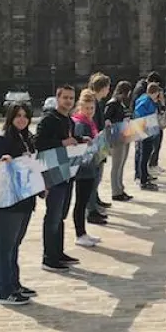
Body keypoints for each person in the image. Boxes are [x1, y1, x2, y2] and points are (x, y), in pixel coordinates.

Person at [0, 102, 38, 305]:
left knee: (15, 244)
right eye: (18, 115)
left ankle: (14, 283)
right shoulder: (2, 140)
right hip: (8, 201)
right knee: (6, 246)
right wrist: (4, 162)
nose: (22, 119)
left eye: (25, 116)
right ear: (10, 117)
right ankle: (5, 290)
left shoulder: (28, 139)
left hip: (26, 198)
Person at [37, 85, 81, 269]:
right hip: (53, 173)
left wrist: (81, 140)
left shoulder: (69, 120)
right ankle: (49, 257)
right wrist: (62, 143)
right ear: (58, 98)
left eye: (71, 98)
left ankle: (58, 252)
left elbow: (71, 140)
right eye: (65, 98)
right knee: (53, 216)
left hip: (67, 172)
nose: (68, 101)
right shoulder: (48, 119)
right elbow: (39, 143)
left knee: (61, 215)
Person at [71, 89, 103, 248]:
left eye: (92, 108)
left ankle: (83, 232)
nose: (90, 111)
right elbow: (78, 147)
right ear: (80, 107)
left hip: (91, 166)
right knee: (81, 202)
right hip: (83, 169)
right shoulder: (80, 124)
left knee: (83, 201)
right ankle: (80, 234)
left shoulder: (89, 122)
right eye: (87, 108)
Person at [86, 73, 113, 220]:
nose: (109, 90)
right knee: (94, 177)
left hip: (99, 143)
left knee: (97, 176)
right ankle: (91, 210)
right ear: (102, 88)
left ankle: (95, 201)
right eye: (108, 87)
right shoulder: (93, 103)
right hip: (95, 144)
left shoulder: (98, 102)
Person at [104, 81, 134, 202]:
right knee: (116, 166)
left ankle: (120, 188)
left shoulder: (122, 103)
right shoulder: (112, 103)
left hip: (125, 135)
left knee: (121, 164)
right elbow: (106, 120)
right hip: (117, 137)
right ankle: (115, 191)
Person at [132, 82, 163, 190]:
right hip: (145, 130)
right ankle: (143, 181)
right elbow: (140, 112)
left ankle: (144, 177)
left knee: (145, 154)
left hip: (147, 129)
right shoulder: (146, 100)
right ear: (154, 92)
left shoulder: (146, 99)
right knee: (144, 155)